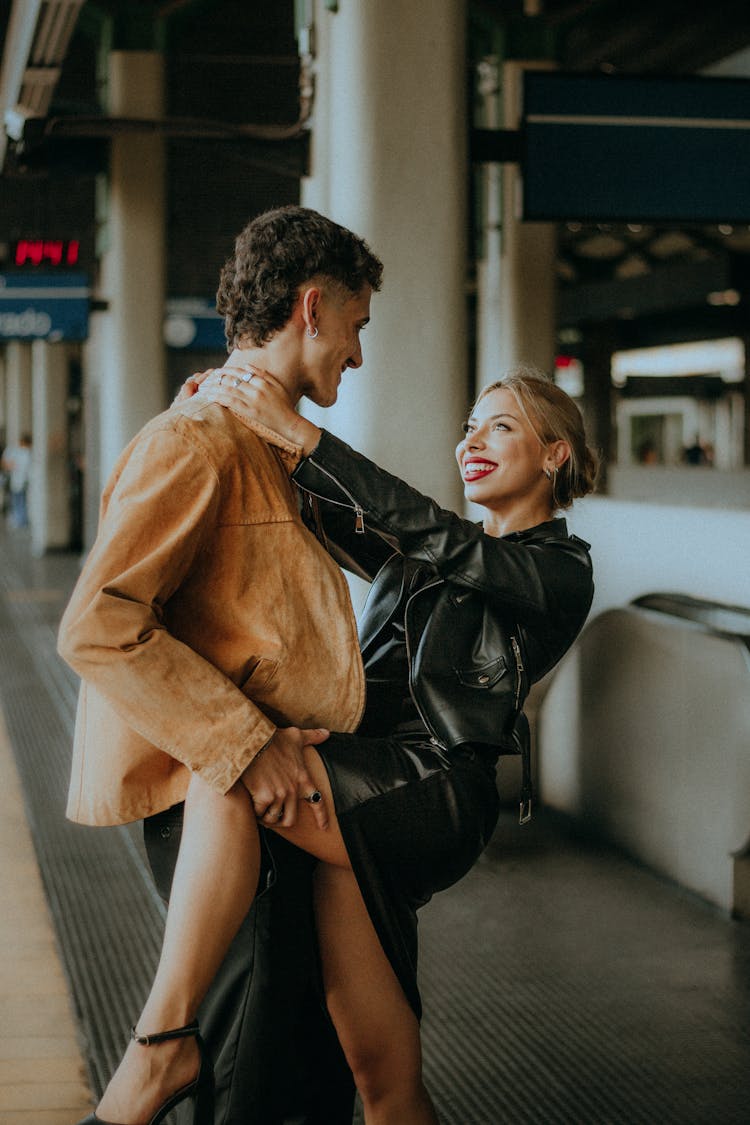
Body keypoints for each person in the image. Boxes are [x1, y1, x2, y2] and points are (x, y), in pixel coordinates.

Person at [60, 207, 597, 1124]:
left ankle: (160, 1045)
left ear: (554, 454)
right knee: (383, 1075)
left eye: (496, 428)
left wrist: (298, 435)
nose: (470, 440)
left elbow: (431, 533)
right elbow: (360, 526)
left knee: (231, 775)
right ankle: (174, 1047)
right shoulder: (430, 547)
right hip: (365, 787)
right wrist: (240, 424)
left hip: (425, 787)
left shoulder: (555, 569)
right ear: (315, 307)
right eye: (468, 425)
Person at [1, 432, 32, 527]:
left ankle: (21, 519)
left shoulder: (24, 452)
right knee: (18, 500)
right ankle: (20, 519)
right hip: (17, 480)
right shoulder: (17, 451)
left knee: (20, 500)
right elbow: (6, 464)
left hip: (21, 480)